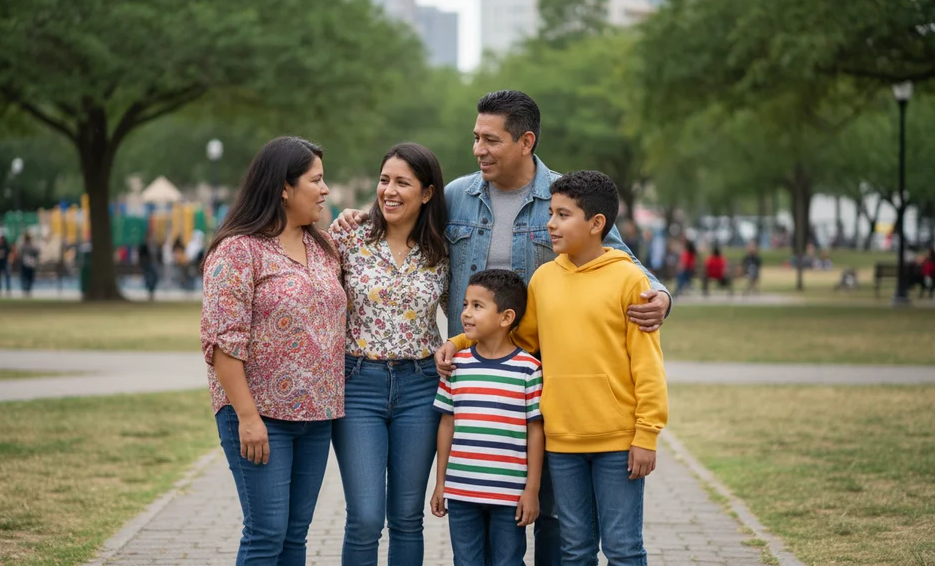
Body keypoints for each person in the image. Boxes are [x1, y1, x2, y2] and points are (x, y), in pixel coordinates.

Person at [333, 91, 671, 565]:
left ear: (526, 141)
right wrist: (357, 217)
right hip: (475, 380)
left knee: (553, 513)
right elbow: (402, 220)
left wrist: (660, 295)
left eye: (491, 140)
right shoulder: (456, 197)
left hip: (545, 380)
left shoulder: (563, 196)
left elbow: (617, 255)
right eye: (475, 138)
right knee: (480, 501)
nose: (478, 149)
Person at [440, 171, 668, 566]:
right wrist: (459, 342)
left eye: (563, 215)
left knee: (623, 548)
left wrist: (646, 434)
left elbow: (647, 364)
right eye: (551, 212)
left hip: (617, 441)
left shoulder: (629, 278)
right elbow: (521, 339)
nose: (550, 223)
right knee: (574, 549)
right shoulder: (544, 279)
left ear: (596, 224)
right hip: (562, 442)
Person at [200, 136, 347, 566]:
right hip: (259, 415)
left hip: (317, 417)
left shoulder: (323, 248)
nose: (325, 190)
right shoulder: (238, 250)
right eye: (316, 180)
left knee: (295, 537)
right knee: (266, 534)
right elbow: (223, 343)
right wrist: (247, 418)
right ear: (284, 187)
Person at [329, 143, 449, 566]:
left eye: (403, 182)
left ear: (428, 193)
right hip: (357, 384)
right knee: (364, 517)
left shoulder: (441, 249)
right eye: (384, 180)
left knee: (406, 518)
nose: (390, 191)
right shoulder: (348, 235)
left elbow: (469, 315)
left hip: (421, 388)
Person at [430, 269, 544, 566]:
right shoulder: (456, 366)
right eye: (466, 304)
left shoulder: (528, 369)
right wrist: (441, 483)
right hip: (462, 491)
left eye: (477, 306)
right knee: (466, 561)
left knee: (507, 562)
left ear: (506, 317)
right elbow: (447, 423)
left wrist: (531, 490)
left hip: (509, 495)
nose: (466, 313)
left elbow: (535, 431)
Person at [138, 231, 161, 301]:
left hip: (153, 263)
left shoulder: (154, 245)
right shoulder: (143, 245)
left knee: (155, 277)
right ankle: (150, 292)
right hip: (147, 264)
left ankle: (151, 291)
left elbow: (158, 254)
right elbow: (141, 255)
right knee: (148, 278)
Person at [18, 233, 40, 297]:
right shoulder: (24, 245)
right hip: (26, 262)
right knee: (25, 277)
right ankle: (25, 289)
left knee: (29, 277)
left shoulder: (31, 245)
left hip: (30, 263)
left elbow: (36, 252)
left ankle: (27, 289)